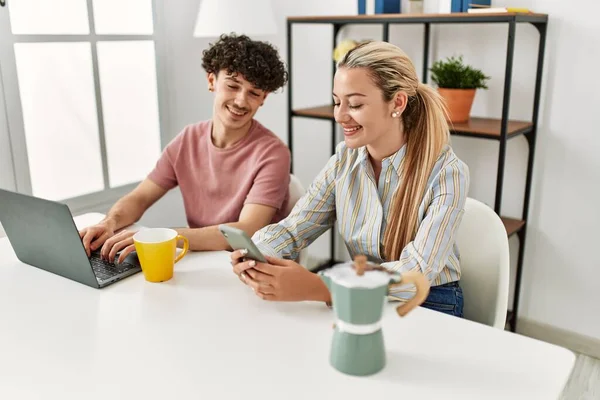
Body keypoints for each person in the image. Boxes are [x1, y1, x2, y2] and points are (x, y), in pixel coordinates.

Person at [231, 41, 469, 317]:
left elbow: (419, 269)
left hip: (430, 302)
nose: (340, 115)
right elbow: (293, 229)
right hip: (360, 294)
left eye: (354, 104)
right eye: (337, 102)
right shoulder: (344, 161)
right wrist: (257, 255)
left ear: (397, 103)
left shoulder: (447, 172)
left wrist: (322, 286)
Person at [80, 34, 291, 264]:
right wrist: (109, 223)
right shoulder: (188, 140)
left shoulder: (273, 153)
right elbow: (140, 197)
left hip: (252, 268)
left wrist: (165, 237)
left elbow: (246, 230)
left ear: (264, 98)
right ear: (212, 81)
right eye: (232, 86)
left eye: (254, 93)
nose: (241, 101)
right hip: (200, 261)